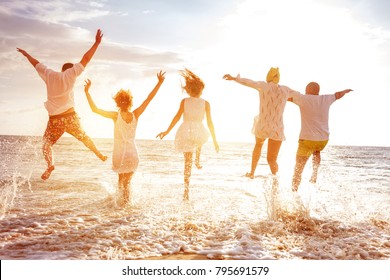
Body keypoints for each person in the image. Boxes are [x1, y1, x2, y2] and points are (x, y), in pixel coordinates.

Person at [17, 29, 107, 180]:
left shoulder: (49, 74)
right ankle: (99, 154)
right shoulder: (71, 75)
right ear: (70, 70)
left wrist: (26, 55)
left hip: (55, 120)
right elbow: (85, 58)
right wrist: (96, 43)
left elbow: (36, 64)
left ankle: (50, 165)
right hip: (70, 117)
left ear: (62, 69)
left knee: (46, 145)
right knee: (84, 137)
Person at [84, 70, 165, 205]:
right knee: (127, 182)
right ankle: (125, 209)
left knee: (121, 181)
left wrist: (87, 92)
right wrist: (159, 83)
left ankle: (122, 208)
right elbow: (149, 99)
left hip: (120, 153)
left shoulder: (115, 116)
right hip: (132, 153)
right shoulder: (136, 114)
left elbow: (95, 109)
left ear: (117, 103)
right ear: (130, 102)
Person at [223, 67, 301, 179]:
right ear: (278, 77)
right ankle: (275, 178)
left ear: (268, 76)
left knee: (258, 145)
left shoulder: (263, 86)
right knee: (272, 159)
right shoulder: (285, 90)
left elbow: (248, 82)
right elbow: (300, 96)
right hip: (277, 128)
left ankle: (252, 172)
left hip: (263, 125)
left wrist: (234, 78)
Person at [156, 69, 219, 200]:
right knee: (200, 139)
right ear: (201, 90)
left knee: (187, 162)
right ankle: (198, 159)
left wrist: (167, 131)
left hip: (185, 130)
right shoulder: (206, 103)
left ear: (189, 89)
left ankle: (186, 190)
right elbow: (210, 123)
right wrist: (215, 140)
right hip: (198, 130)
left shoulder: (185, 101)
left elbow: (177, 117)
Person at [290, 82, 353, 191]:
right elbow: (337, 95)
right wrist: (345, 91)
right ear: (318, 91)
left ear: (307, 90)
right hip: (323, 140)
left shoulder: (303, 98)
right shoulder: (325, 99)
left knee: (298, 169)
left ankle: (294, 190)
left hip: (307, 140)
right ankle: (314, 174)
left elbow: (288, 98)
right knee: (317, 151)